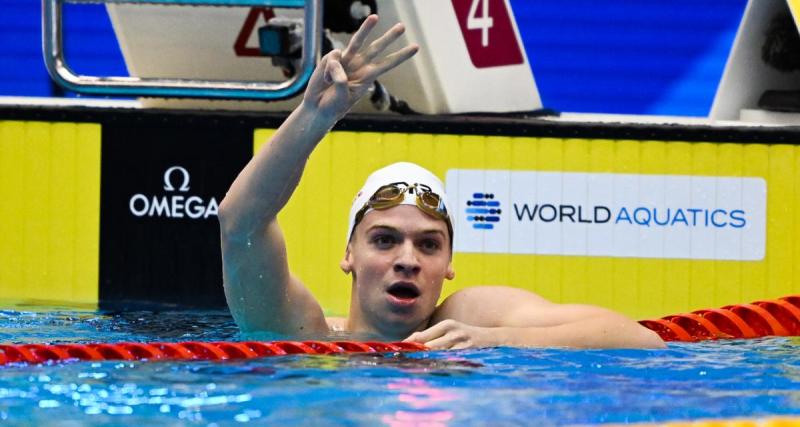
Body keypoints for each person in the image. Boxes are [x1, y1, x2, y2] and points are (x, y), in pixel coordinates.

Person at [218, 15, 665, 349]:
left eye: (429, 245)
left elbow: (642, 341)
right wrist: (314, 117)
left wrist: (497, 340)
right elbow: (240, 223)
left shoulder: (468, 317)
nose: (408, 260)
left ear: (450, 263)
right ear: (349, 254)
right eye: (385, 240)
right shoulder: (303, 332)